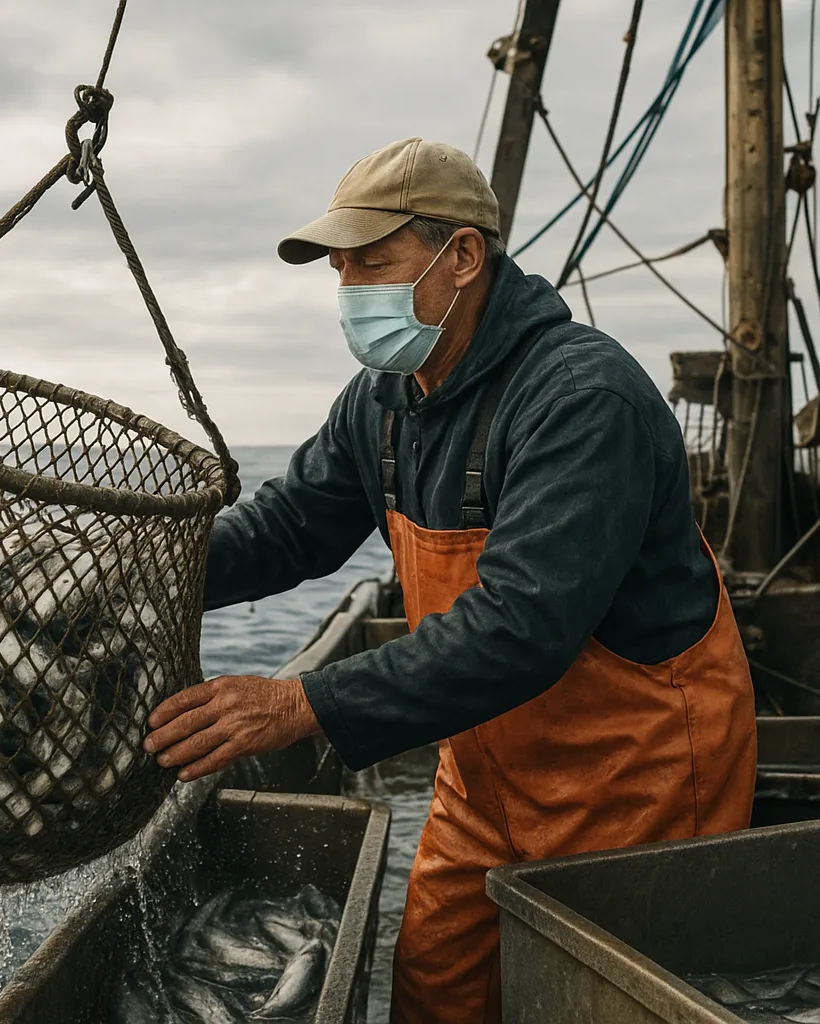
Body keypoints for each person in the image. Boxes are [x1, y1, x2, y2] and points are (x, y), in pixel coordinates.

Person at [143, 137, 757, 1023]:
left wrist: (296, 703)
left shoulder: (583, 399)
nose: (353, 294)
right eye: (341, 273)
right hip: (481, 783)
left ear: (462, 255)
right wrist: (141, 573)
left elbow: (520, 627)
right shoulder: (383, 398)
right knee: (434, 994)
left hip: (637, 792)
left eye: (374, 265)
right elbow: (287, 528)